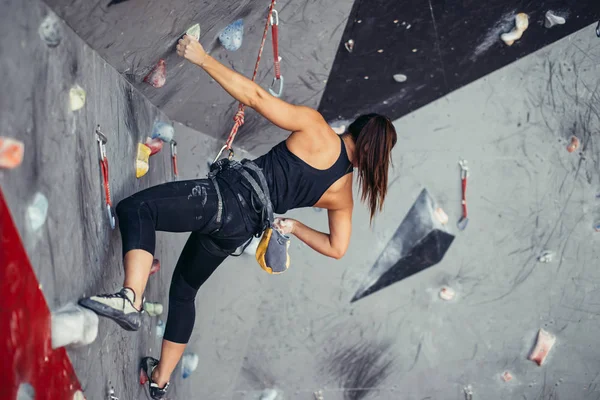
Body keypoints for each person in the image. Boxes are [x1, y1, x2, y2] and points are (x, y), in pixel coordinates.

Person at [78, 34, 397, 399]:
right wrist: (293, 225)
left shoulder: (317, 129)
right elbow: (337, 248)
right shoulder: (342, 194)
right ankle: (159, 381)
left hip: (225, 198)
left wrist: (201, 58)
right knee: (184, 290)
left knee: (137, 209)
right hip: (240, 230)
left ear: (357, 127)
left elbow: (257, 98)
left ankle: (130, 298)